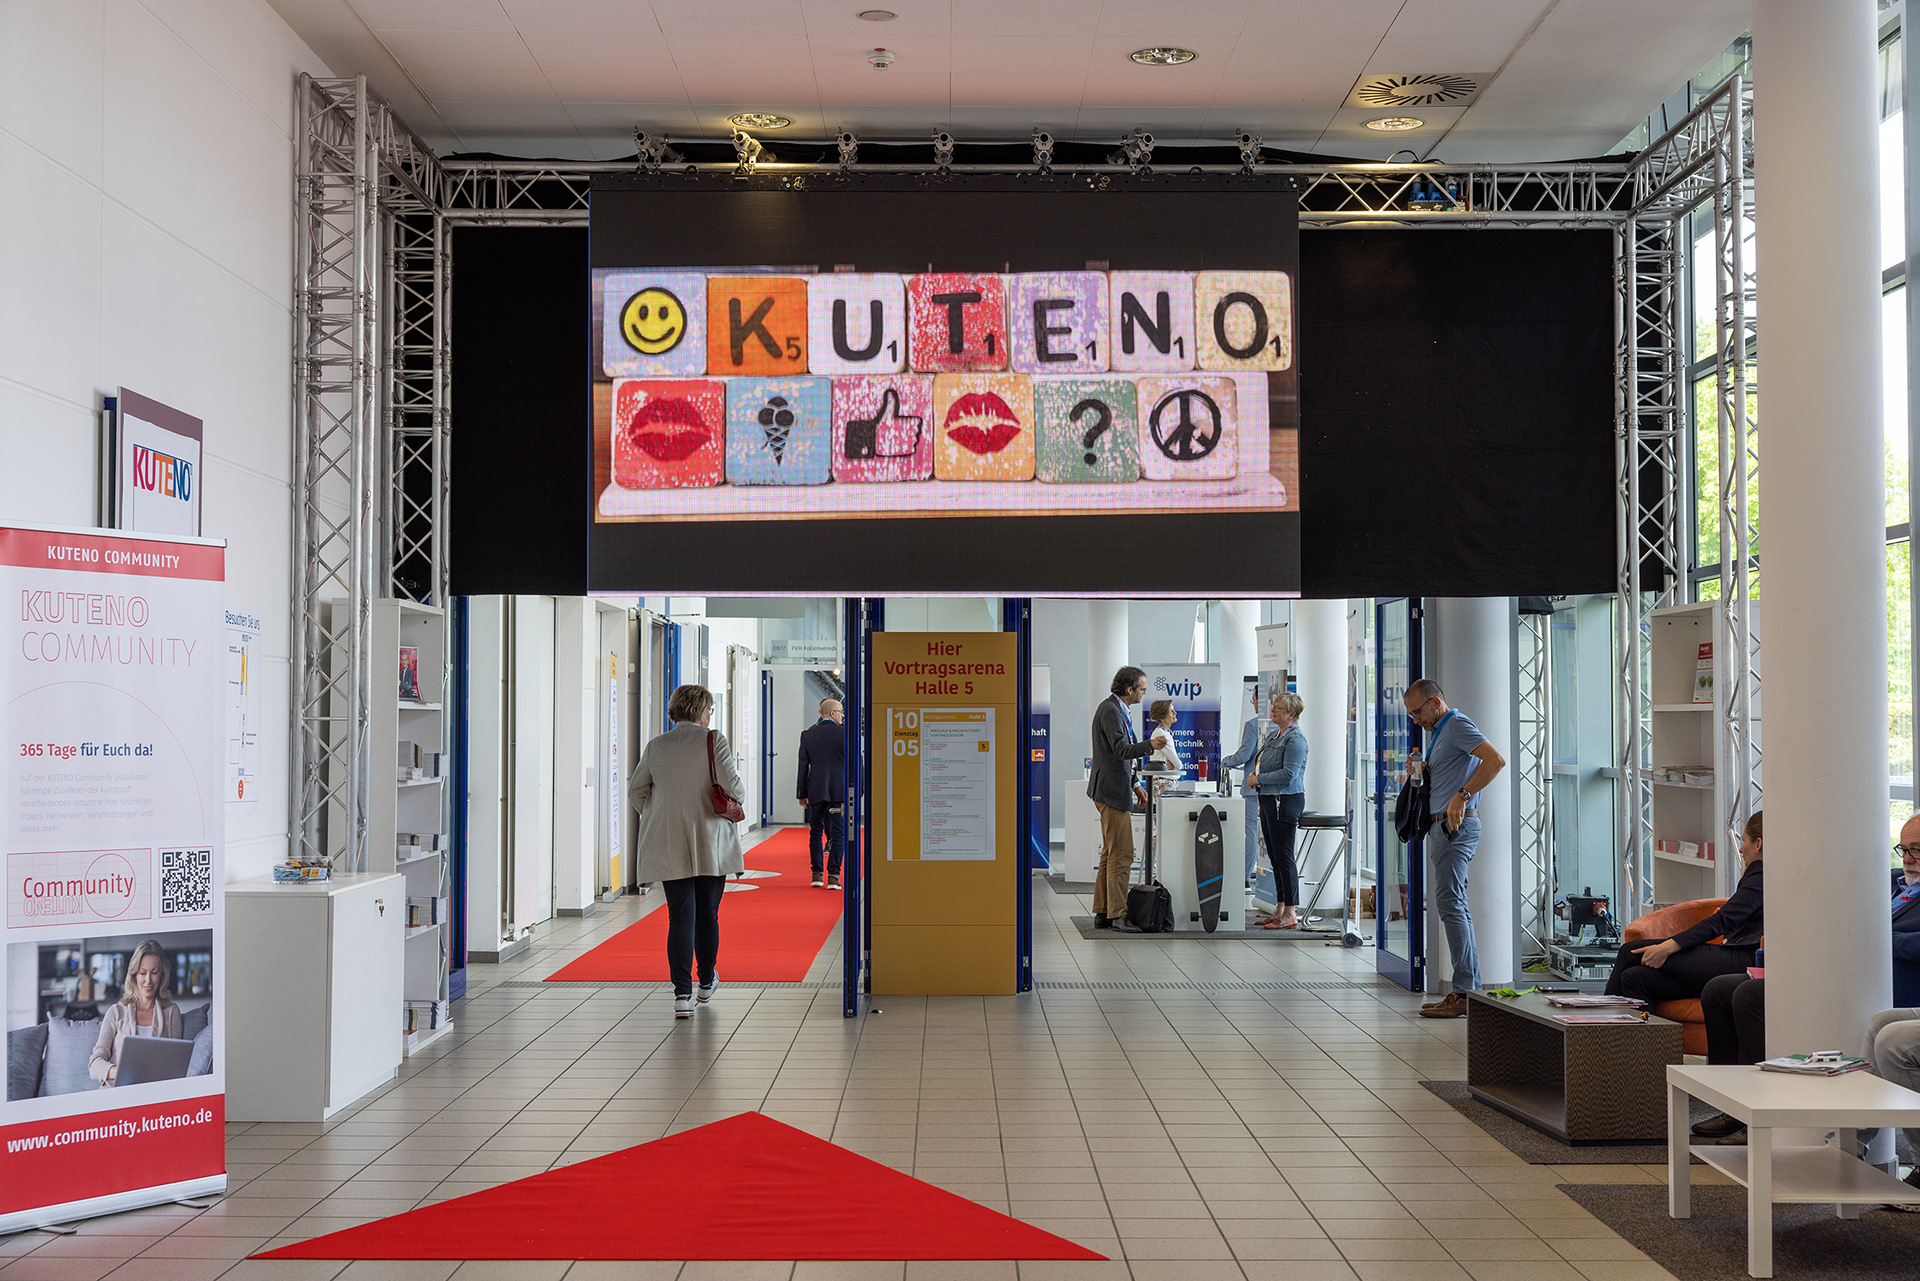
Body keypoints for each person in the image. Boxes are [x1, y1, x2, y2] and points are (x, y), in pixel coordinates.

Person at [1694, 812, 1920, 1147]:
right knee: (1719, 989)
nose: (1908, 859)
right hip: (1833, 967)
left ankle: (1762, 1108)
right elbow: (1836, 918)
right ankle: (1734, 1105)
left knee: (1750, 995)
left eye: (1916, 850)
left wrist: (1875, 937)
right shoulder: (1887, 881)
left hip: (1878, 982)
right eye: (1903, 849)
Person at [631, 683, 746, 1018]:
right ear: (700, 710)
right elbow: (734, 789)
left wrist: (659, 812)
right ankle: (706, 981)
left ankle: (682, 994)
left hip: (670, 840)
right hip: (710, 840)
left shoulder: (657, 745)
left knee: (680, 917)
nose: (710, 715)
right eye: (709, 709)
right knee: (708, 914)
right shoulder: (714, 740)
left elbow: (637, 791)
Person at [1405, 678, 1507, 1017]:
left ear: (1435, 703)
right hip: (1442, 827)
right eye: (1411, 715)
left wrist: (1462, 797)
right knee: (1453, 905)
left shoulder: (1458, 724)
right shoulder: (1440, 732)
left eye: (1417, 712)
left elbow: (1495, 761)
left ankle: (1464, 992)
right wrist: (1423, 772)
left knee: (1451, 905)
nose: (1415, 720)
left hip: (1454, 828)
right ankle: (1467, 991)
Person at [1606, 810, 1763, 1015]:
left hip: (1741, 959)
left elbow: (1722, 921)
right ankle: (1645, 1037)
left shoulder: (1760, 874)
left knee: (1629, 952)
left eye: (1744, 841)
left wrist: (1670, 945)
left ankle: (1597, 1025)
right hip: (1733, 958)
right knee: (1633, 977)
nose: (1741, 849)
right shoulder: (1762, 875)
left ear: (1758, 844)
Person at [1087, 665, 1167, 932]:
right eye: (1142, 689)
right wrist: (1150, 745)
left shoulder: (1118, 709)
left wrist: (1135, 784)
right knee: (1121, 855)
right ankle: (1119, 915)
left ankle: (1103, 912)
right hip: (1110, 791)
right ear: (1129, 689)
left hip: (1114, 788)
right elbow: (1121, 750)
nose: (1144, 693)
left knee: (1110, 853)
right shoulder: (1110, 710)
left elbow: (1120, 757)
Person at [89, 939, 183, 1086]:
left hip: (156, 1090)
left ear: (162, 975)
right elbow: (95, 1064)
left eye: (154, 973)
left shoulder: (171, 1013)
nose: (148, 980)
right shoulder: (116, 1012)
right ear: (134, 975)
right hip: (119, 1090)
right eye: (142, 973)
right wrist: (120, 1071)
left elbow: (176, 1062)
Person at [1252, 691, 1308, 930]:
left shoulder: (1296, 739)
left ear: (1291, 714)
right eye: (1273, 706)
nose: (1272, 711)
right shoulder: (1275, 735)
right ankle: (1280, 907)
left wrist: (1259, 779)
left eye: (1278, 708)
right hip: (1268, 798)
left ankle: (1291, 912)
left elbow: (1289, 774)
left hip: (1285, 800)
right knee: (1275, 857)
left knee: (1284, 857)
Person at [796, 697, 846, 889]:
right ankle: (834, 876)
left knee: (815, 832)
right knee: (839, 833)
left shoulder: (808, 734)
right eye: (841, 712)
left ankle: (816, 875)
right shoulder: (845, 734)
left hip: (816, 790)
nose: (843, 715)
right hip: (839, 791)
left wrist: (802, 793)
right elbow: (857, 763)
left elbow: (803, 766)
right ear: (832, 713)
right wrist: (857, 789)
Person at [1219, 693, 1266, 892]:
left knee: (1251, 833)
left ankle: (1244, 877)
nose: (1253, 703)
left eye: (1253, 699)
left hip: (1252, 786)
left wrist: (1225, 761)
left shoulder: (1252, 725)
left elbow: (1244, 754)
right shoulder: (1277, 726)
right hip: (1270, 787)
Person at [1145, 699, 1183, 775]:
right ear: (1162, 717)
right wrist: (1175, 766)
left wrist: (1174, 766)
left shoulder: (1164, 733)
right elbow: (1178, 765)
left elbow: (1176, 765)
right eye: (1171, 711)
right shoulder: (1160, 734)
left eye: (1173, 710)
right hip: (1163, 780)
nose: (1175, 713)